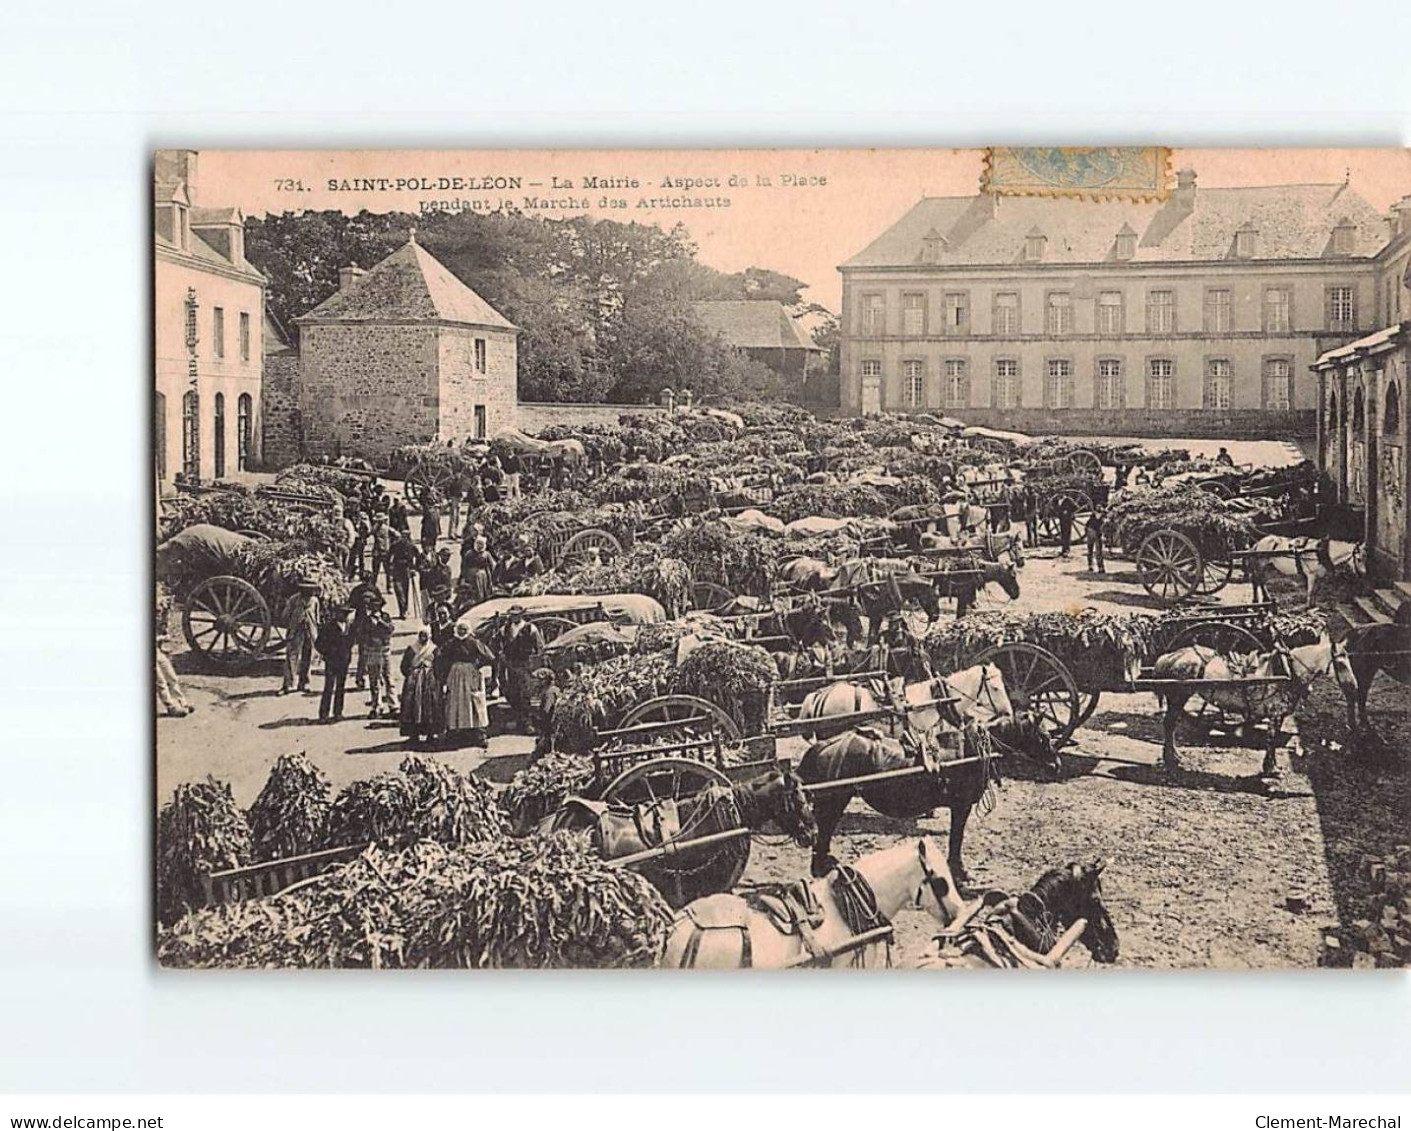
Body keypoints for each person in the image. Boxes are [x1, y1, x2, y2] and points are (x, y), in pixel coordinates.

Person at [438, 621, 494, 748]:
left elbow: (489, 656)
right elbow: (442, 658)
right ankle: (455, 734)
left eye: (464, 629)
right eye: (460, 629)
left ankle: (479, 734)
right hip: (456, 675)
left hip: (471, 675)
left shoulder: (474, 642)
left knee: (475, 702)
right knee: (455, 704)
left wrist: (478, 665)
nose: (462, 631)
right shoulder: (451, 643)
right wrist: (444, 674)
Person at [499, 610, 544, 732]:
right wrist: (503, 657)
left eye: (517, 614)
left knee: (525, 694)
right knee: (513, 693)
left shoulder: (530, 628)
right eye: (512, 615)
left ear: (521, 615)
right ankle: (519, 720)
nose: (515, 617)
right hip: (511, 664)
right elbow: (500, 645)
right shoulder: (505, 629)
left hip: (525, 664)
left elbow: (539, 646)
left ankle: (527, 723)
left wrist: (536, 661)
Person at [399, 627, 443, 745]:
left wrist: (436, 677)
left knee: (430, 706)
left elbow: (439, 664)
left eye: (426, 635)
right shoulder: (412, 649)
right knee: (412, 706)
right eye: (421, 635)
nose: (424, 638)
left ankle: (430, 734)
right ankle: (414, 735)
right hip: (414, 682)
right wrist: (412, 674)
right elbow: (404, 665)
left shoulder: (434, 649)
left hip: (430, 680)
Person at [314, 605, 357, 722]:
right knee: (328, 687)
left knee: (340, 687)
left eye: (347, 613)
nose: (345, 616)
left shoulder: (350, 627)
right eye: (343, 613)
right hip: (331, 661)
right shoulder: (328, 627)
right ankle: (324, 714)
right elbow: (318, 643)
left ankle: (338, 713)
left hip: (344, 661)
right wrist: (327, 653)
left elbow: (353, 641)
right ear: (337, 614)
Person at [280, 579, 322, 694]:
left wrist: (314, 630)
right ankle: (288, 684)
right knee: (292, 656)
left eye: (311, 589)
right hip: (296, 631)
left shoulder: (314, 601)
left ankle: (304, 683)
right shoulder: (294, 599)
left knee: (307, 657)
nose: (310, 592)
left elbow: (317, 617)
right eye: (307, 589)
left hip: (310, 631)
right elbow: (286, 615)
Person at [360, 599, 397, 718]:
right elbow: (362, 635)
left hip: (385, 650)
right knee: (374, 680)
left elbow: (391, 629)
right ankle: (377, 705)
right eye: (373, 606)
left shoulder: (385, 617)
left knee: (388, 677)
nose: (376, 608)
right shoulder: (366, 620)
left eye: (378, 606)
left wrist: (380, 621)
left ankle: (393, 705)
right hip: (372, 651)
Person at [532, 666, 566, 758]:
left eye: (539, 680)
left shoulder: (549, 693)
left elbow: (545, 711)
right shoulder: (554, 689)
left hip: (550, 723)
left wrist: (536, 715)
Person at [386, 530, 421, 619]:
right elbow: (388, 557)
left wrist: (414, 569)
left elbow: (419, 558)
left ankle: (404, 610)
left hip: (406, 570)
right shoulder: (396, 545)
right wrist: (389, 568)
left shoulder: (411, 546)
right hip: (397, 570)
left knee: (405, 591)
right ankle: (402, 610)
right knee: (399, 591)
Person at [458, 535, 496, 607]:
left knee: (483, 590)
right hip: (471, 575)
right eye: (478, 543)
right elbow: (464, 565)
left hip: (483, 575)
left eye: (481, 544)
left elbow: (492, 565)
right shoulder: (469, 553)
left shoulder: (486, 554)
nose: (479, 545)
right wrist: (463, 576)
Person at [369, 511, 392, 589]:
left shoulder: (385, 528)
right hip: (382, 551)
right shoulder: (384, 528)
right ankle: (388, 587)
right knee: (383, 571)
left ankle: (387, 586)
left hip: (381, 551)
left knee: (382, 571)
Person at [1086, 505, 1107, 574]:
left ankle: (1098, 567)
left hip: (1095, 533)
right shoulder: (1096, 516)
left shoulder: (1099, 516)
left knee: (1096, 551)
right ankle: (1092, 566)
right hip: (1093, 533)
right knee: (1093, 551)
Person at [419, 488, 441, 555]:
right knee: (427, 541)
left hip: (434, 528)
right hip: (428, 528)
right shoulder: (428, 509)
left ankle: (432, 549)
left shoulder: (436, 510)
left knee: (433, 541)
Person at [1055, 493, 1077, 558]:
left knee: (1067, 534)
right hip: (1062, 519)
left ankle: (1067, 549)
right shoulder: (1059, 500)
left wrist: (1068, 511)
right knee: (1063, 534)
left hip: (1068, 519)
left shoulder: (1068, 500)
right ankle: (1064, 549)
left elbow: (1075, 507)